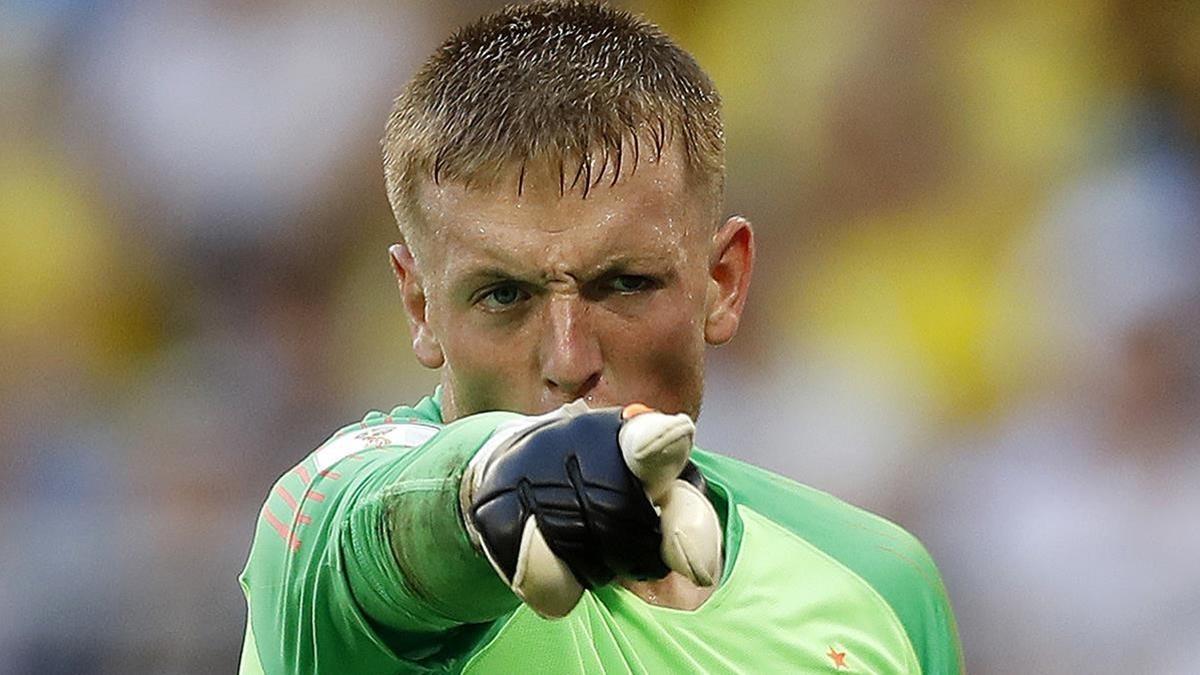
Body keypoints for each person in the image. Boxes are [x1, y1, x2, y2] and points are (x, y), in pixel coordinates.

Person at [238, 2, 962, 673]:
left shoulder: (879, 586)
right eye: (503, 295)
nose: (569, 359)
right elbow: (374, 536)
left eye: (624, 284)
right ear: (420, 306)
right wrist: (487, 495)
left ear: (724, 281)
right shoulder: (317, 534)